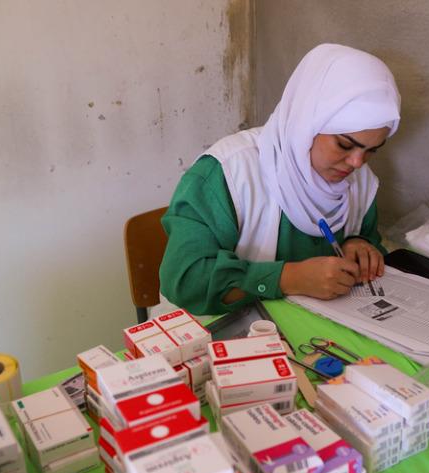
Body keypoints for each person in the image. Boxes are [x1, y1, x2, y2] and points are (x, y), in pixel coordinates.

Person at [159, 43, 401, 315]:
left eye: (372, 151)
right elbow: (185, 280)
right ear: (307, 122)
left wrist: (358, 245)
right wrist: (289, 278)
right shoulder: (227, 173)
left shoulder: (361, 182)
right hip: (215, 332)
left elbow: (365, 236)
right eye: (345, 145)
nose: (357, 163)